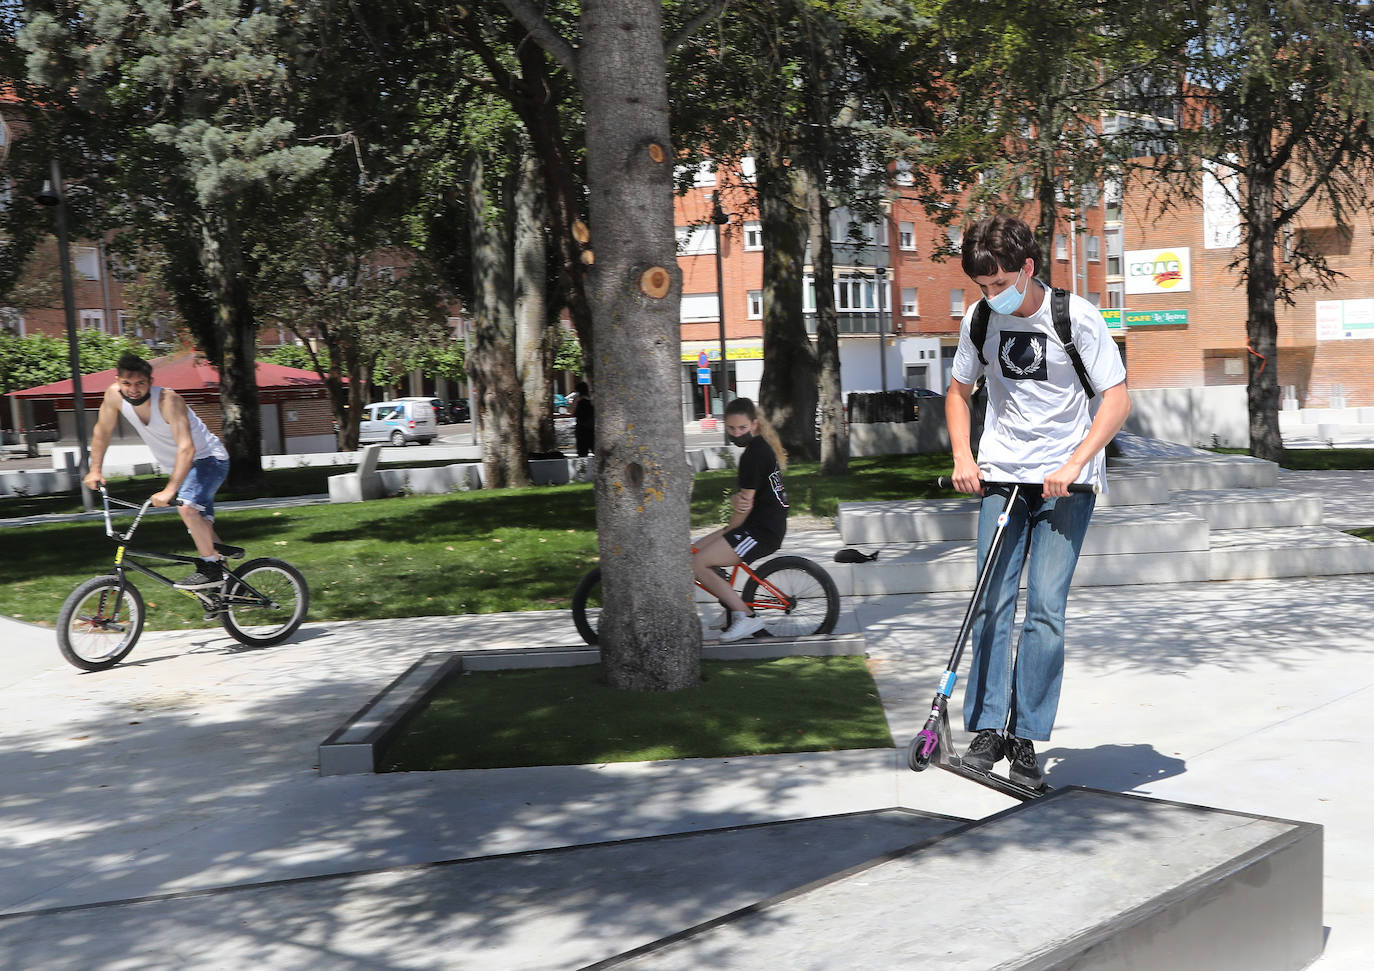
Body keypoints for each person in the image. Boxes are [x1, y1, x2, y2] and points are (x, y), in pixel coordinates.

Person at [946, 214, 1131, 789]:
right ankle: (987, 730)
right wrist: (962, 455)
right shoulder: (980, 320)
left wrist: (1074, 463)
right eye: (981, 287)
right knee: (992, 603)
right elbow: (958, 391)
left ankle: (1024, 735)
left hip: (1065, 484)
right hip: (1002, 477)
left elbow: (1117, 401)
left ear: (1027, 268)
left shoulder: (1076, 317)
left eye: (998, 283)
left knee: (1045, 610)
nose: (990, 295)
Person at [82, 353, 233, 590]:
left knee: (187, 508)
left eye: (140, 383)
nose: (133, 390)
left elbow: (187, 447)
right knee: (201, 526)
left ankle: (211, 570)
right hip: (184, 466)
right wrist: (95, 470)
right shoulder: (113, 396)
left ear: (150, 382)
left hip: (208, 459)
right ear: (117, 380)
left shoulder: (168, 401)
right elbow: (102, 431)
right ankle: (230, 586)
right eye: (127, 384)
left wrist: (170, 490)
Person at [691, 397, 789, 642]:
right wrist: (734, 514)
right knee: (693, 552)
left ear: (754, 425)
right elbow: (745, 498)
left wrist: (729, 528)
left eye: (742, 428)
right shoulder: (758, 448)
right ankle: (729, 610)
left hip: (761, 531)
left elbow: (744, 505)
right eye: (732, 429)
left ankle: (745, 617)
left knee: (699, 563)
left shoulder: (753, 455)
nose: (737, 434)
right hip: (753, 525)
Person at [572, 379, 595, 457]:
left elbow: (574, 413)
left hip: (582, 432)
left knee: (582, 455)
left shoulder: (580, 403)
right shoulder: (591, 402)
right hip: (592, 431)